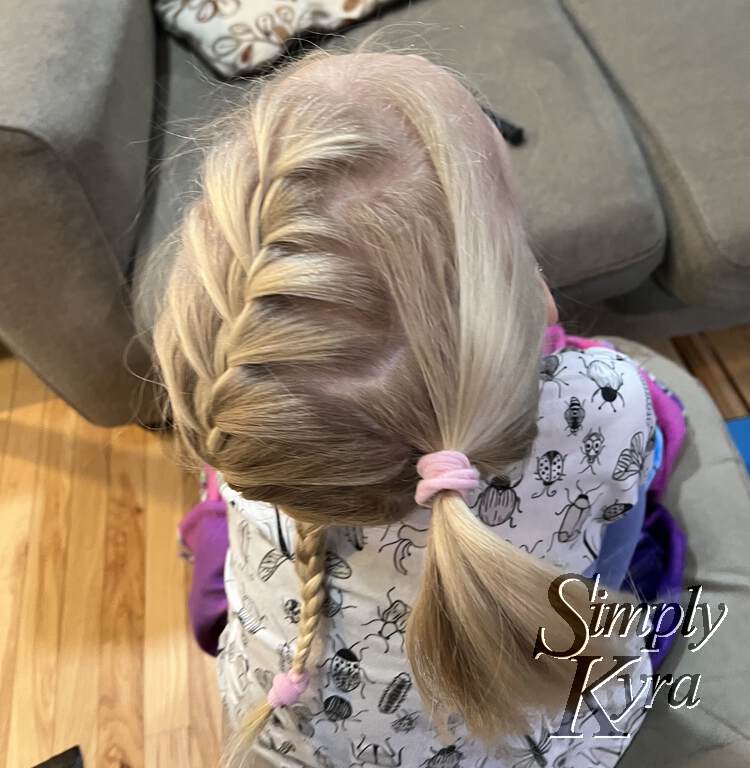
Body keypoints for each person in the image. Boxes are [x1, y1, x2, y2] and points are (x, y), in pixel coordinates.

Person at [151, 50, 686, 768]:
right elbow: (614, 553)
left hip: (282, 741)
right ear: (521, 294)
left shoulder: (246, 438)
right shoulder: (608, 401)